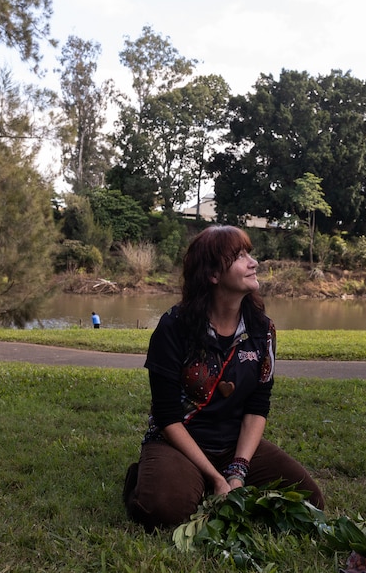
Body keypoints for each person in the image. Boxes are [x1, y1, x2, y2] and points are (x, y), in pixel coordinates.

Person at [122, 225, 325, 530]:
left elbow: (258, 406)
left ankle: (202, 482)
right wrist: (218, 478)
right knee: (162, 511)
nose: (253, 262)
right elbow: (166, 416)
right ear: (213, 274)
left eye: (249, 254)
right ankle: (157, 476)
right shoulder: (173, 327)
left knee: (309, 502)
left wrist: (238, 469)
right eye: (239, 256)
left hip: (233, 444)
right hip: (178, 443)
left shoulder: (262, 329)